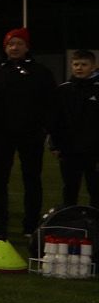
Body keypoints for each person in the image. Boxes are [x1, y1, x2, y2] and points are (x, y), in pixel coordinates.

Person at [0, 28, 57, 240]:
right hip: (1, 134)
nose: (14, 48)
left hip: (31, 134)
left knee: (32, 179)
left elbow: (50, 103)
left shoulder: (41, 72)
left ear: (27, 47)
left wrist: (45, 127)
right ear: (5, 47)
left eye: (19, 43)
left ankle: (30, 224)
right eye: (10, 44)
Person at [51, 50, 99, 207]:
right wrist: (55, 144)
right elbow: (56, 120)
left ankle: (95, 224)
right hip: (69, 149)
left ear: (94, 66)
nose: (79, 68)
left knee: (95, 188)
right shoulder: (63, 90)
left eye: (84, 64)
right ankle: (70, 223)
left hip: (94, 150)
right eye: (76, 64)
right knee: (70, 188)